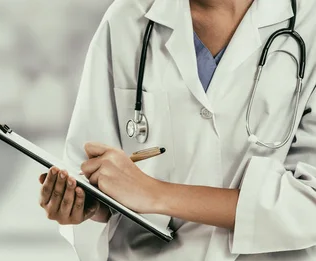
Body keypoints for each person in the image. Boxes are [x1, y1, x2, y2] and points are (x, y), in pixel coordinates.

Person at [37, 0, 316, 260]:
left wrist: (155, 193)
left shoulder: (309, 24)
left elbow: (309, 204)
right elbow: (87, 163)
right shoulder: (128, 18)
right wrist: (89, 206)